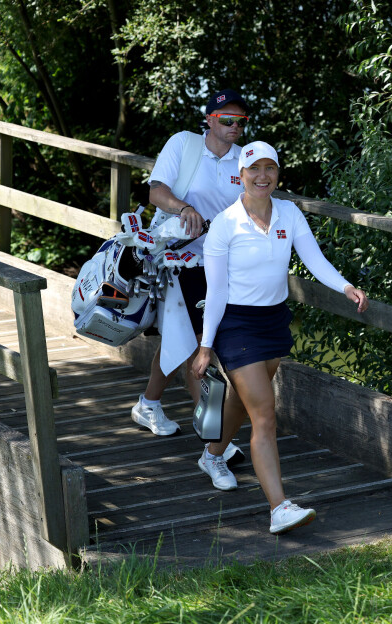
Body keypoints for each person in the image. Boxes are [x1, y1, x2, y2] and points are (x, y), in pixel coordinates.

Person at [191, 141, 368, 535]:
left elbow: (314, 258)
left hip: (273, 321)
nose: (262, 176)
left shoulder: (289, 213)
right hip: (236, 324)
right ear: (241, 174)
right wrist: (206, 346)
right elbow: (215, 291)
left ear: (277, 173)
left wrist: (346, 287)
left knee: (244, 401)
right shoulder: (225, 224)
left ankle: (212, 454)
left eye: (270, 168)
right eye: (254, 169)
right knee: (265, 415)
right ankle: (279, 508)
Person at [130, 88, 249, 471]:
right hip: (177, 259)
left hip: (221, 264)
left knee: (186, 341)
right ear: (210, 120)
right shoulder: (184, 144)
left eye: (241, 121)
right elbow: (156, 192)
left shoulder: (245, 160)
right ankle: (215, 442)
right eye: (227, 119)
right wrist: (185, 208)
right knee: (201, 346)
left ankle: (148, 404)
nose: (234, 127)